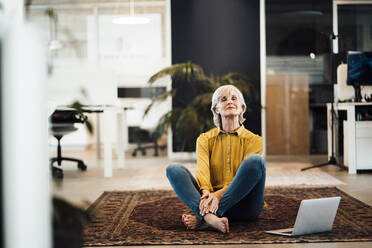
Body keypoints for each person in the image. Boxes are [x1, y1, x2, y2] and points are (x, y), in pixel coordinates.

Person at [166, 85, 266, 233]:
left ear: (241, 107)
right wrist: (206, 192)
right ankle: (211, 219)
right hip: (209, 200)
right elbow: (202, 170)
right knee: (173, 169)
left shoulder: (254, 140)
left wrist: (217, 196)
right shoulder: (204, 139)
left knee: (256, 161)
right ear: (216, 109)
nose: (230, 102)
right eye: (223, 99)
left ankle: (204, 218)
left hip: (245, 206)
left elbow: (243, 179)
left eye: (234, 98)